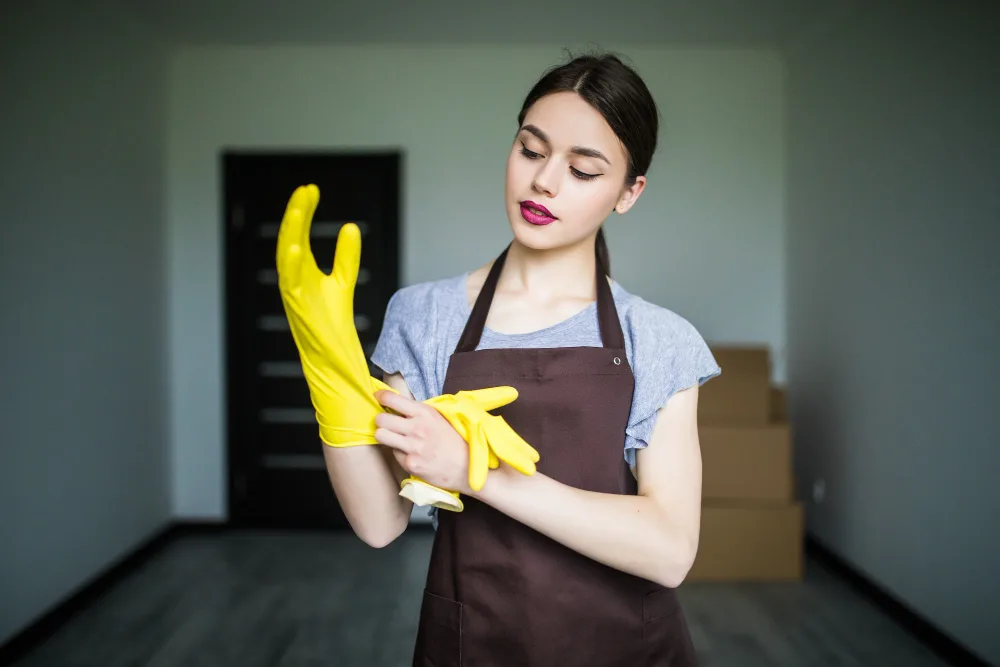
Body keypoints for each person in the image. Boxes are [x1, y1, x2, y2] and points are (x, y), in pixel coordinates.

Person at [345, 52, 720, 666]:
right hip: (475, 645)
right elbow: (381, 522)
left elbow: (670, 549)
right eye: (531, 149)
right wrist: (326, 369)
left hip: (626, 649)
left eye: (582, 170)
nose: (544, 181)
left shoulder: (658, 338)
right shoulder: (425, 316)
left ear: (629, 193)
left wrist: (477, 471)